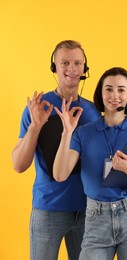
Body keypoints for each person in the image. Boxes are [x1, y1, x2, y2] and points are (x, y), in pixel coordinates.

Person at [53, 67, 127, 260]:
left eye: (121, 90)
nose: (114, 95)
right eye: (108, 89)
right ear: (100, 93)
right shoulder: (83, 133)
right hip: (96, 217)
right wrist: (67, 132)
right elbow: (60, 174)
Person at [11, 40, 100, 260]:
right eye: (65, 63)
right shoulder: (38, 107)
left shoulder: (94, 110)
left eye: (78, 63)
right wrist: (35, 126)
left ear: (84, 69)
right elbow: (19, 165)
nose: (72, 68)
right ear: (55, 67)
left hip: (88, 210)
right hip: (48, 209)